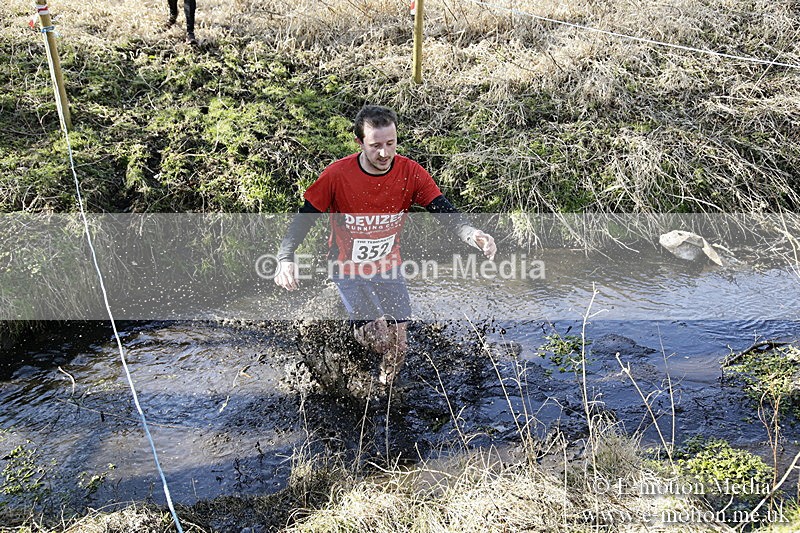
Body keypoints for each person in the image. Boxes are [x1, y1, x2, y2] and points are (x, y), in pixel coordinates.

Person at [275, 105, 496, 393]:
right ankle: (349, 327)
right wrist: (285, 257)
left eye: (390, 144)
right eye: (375, 145)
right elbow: (304, 218)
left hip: (389, 264)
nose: (384, 153)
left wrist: (472, 234)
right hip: (347, 267)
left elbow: (443, 210)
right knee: (380, 339)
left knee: (399, 344)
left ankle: (385, 394)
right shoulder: (336, 175)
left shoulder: (410, 173)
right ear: (359, 143)